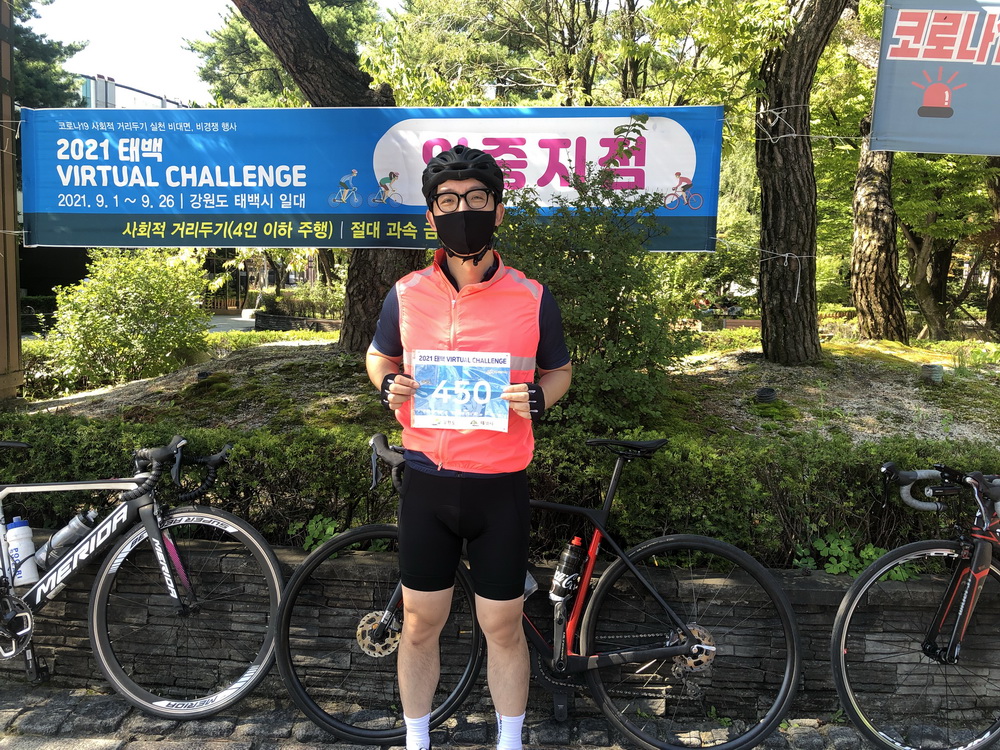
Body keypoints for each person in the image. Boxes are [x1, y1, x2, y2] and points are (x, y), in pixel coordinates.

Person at [365, 144, 572, 750]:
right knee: (418, 623)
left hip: (499, 486)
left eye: (477, 198)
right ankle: (416, 741)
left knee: (503, 626)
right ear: (431, 214)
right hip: (427, 482)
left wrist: (540, 398)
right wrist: (387, 383)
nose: (463, 211)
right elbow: (379, 355)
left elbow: (559, 370)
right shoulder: (406, 293)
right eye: (448, 201)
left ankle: (510, 742)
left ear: (498, 211)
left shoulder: (532, 296)